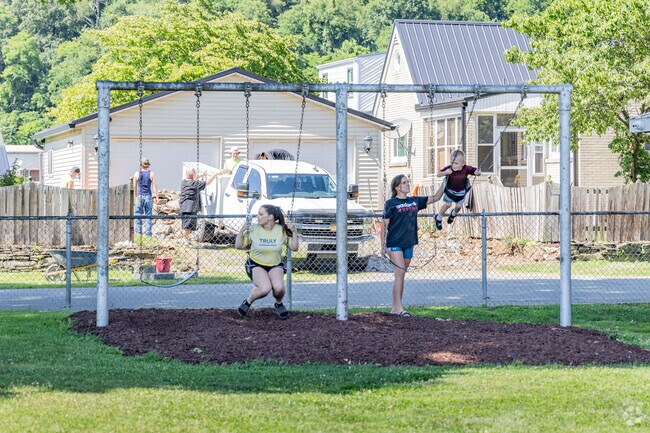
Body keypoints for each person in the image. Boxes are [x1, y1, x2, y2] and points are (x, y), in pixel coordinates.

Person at [382, 174, 441, 317]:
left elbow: (436, 197)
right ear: (397, 187)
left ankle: (395, 308)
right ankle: (399, 308)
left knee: (400, 276)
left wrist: (448, 179)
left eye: (408, 182)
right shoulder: (391, 203)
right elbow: (384, 225)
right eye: (404, 182)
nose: (408, 184)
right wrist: (382, 245)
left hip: (409, 243)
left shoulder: (414, 201)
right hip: (394, 243)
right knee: (400, 273)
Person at [235, 204, 299, 319]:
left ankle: (279, 304)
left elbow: (294, 248)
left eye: (260, 214)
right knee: (265, 289)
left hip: (275, 265)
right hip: (256, 264)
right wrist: (241, 231)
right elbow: (239, 246)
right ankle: (248, 301)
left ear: (270, 217)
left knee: (279, 288)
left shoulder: (281, 230)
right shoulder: (254, 229)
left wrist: (294, 232)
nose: (257, 216)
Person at [434, 149, 480, 230]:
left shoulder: (466, 169)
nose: (453, 165)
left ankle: (453, 214)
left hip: (461, 193)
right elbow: (438, 174)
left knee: (458, 207)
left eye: (456, 163)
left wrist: (478, 172)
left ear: (463, 164)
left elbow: (476, 171)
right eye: (451, 162)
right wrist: (446, 173)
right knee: (448, 204)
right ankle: (438, 218)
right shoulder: (449, 169)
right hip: (450, 192)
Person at [179, 167, 218, 245]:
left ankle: (186, 240)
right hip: (189, 208)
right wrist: (215, 174)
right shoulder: (195, 184)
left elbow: (194, 178)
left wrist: (202, 175)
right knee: (186, 226)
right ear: (191, 175)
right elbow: (207, 183)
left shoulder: (184, 182)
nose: (196, 174)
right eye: (195, 173)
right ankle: (185, 241)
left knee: (186, 225)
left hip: (184, 206)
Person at [132, 158, 159, 237]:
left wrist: (135, 196)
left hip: (139, 195)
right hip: (148, 196)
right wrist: (157, 197)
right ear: (148, 165)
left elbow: (134, 186)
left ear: (141, 165)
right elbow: (154, 186)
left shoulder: (137, 173)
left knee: (138, 215)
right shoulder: (151, 174)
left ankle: (138, 233)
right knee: (148, 215)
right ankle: (148, 234)